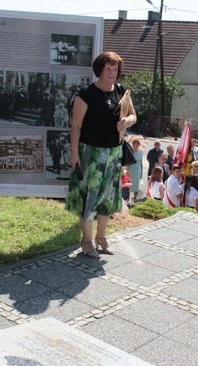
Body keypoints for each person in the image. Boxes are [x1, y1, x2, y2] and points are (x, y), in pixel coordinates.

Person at [65, 51, 136, 259]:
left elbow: (133, 115)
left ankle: (101, 237)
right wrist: (74, 153)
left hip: (114, 153)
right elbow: (76, 126)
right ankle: (86, 241)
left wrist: (127, 122)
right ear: (99, 70)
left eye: (115, 69)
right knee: (89, 196)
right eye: (108, 69)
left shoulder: (122, 92)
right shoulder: (86, 95)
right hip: (91, 154)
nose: (111, 73)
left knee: (107, 198)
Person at [127, 138, 144, 206]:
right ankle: (127, 200)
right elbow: (127, 162)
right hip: (130, 170)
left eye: (137, 144)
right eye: (135, 144)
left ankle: (135, 199)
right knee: (128, 185)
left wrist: (141, 172)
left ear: (139, 145)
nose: (136, 145)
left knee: (136, 186)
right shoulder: (130, 153)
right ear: (133, 145)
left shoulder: (140, 153)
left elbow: (141, 163)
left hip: (137, 170)